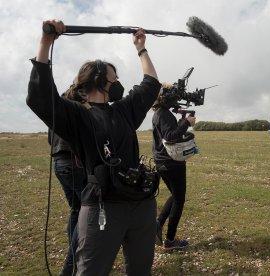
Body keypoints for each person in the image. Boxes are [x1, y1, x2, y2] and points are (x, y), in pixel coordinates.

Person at [27, 19, 161, 275]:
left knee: (141, 269)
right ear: (99, 80)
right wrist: (45, 42)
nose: (119, 82)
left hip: (142, 204)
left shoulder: (123, 110)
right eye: (115, 78)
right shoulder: (76, 115)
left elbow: (151, 85)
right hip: (103, 207)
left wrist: (141, 48)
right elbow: (41, 96)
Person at [151, 86, 196, 250]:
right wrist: (186, 123)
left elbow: (168, 133)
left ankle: (158, 224)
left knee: (175, 195)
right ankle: (170, 241)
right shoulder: (163, 114)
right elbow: (170, 137)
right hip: (171, 162)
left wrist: (181, 122)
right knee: (179, 199)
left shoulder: (160, 113)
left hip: (162, 161)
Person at [49, 129, 86, 276]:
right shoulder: (75, 107)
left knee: (76, 210)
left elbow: (50, 140)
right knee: (88, 210)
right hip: (74, 163)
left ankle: (74, 255)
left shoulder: (56, 109)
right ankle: (70, 265)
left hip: (59, 163)